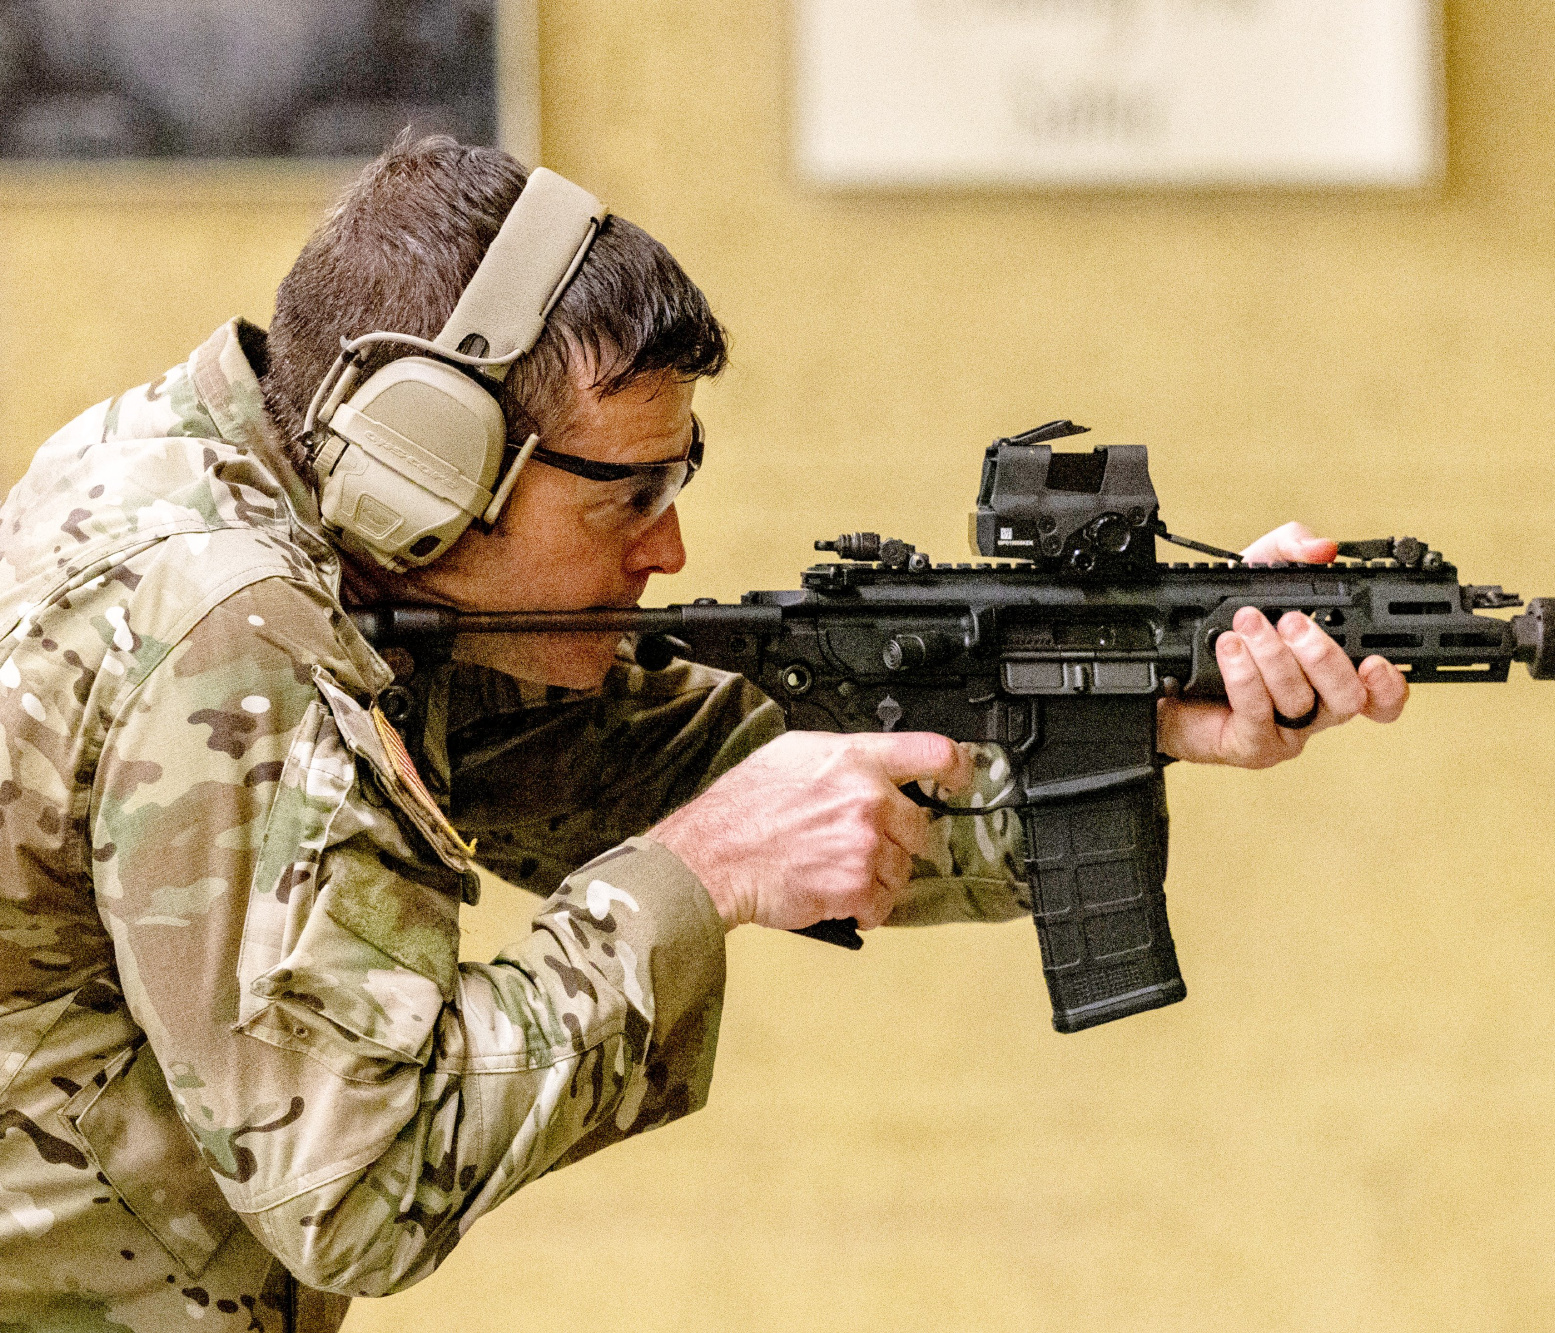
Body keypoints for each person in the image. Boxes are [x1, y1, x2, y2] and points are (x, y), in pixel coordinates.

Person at [0, 133, 1408, 1333]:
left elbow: (662, 764)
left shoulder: (254, 484)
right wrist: (698, 875)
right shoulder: (230, 633)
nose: (668, 549)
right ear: (420, 465)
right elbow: (363, 1184)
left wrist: (1133, 702)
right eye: (625, 498)